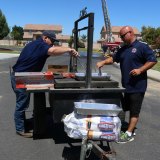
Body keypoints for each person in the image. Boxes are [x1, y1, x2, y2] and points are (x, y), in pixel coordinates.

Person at [11, 30, 79, 138]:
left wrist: (65, 50)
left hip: (22, 74)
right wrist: (69, 49)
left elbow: (53, 50)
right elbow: (53, 51)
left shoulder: (37, 44)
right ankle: (20, 129)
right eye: (51, 41)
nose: (52, 43)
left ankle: (23, 123)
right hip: (20, 77)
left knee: (23, 102)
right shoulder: (41, 45)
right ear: (45, 38)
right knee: (22, 104)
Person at [96, 26, 157, 144]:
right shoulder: (123, 49)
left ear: (131, 33)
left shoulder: (142, 47)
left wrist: (141, 70)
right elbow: (114, 58)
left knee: (134, 111)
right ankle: (127, 127)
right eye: (121, 36)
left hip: (137, 86)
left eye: (123, 35)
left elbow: (153, 60)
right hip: (126, 85)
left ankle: (129, 133)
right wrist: (103, 62)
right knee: (125, 107)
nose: (122, 38)